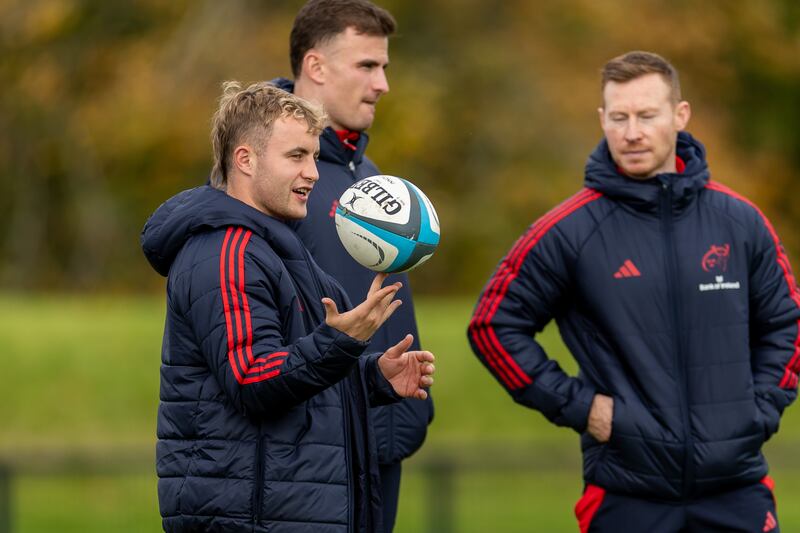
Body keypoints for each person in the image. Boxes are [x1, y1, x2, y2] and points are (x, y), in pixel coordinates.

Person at [467, 51, 800, 533]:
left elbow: (786, 324)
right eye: (619, 118)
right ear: (603, 119)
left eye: (647, 116)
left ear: (680, 116)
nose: (632, 132)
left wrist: (759, 412)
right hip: (626, 495)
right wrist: (584, 408)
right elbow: (491, 327)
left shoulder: (740, 221)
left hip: (737, 489)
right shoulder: (567, 231)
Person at [141, 81, 434, 533]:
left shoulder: (275, 248)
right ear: (245, 160)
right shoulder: (227, 254)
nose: (313, 173)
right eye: (296, 156)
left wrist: (372, 376)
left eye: (315, 156)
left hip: (288, 510)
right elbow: (254, 379)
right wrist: (342, 341)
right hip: (253, 518)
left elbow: (291, 368)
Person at [271, 1, 434, 530]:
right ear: (315, 67)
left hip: (381, 434)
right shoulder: (268, 173)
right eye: (367, 66)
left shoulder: (366, 170)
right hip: (310, 453)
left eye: (383, 66)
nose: (383, 83)